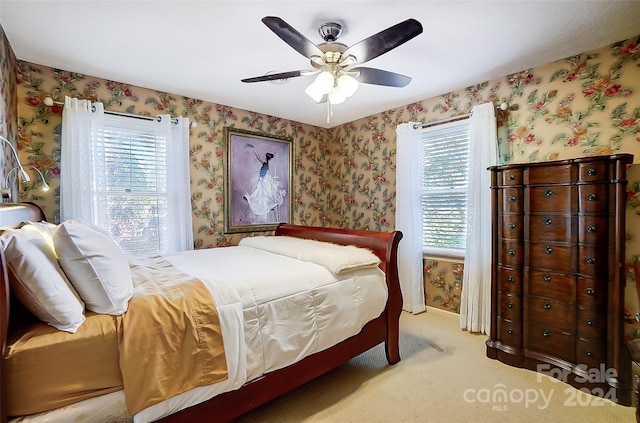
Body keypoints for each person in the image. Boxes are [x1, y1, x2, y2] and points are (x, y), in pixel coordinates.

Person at [241, 144, 286, 223]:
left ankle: (274, 216)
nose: (264, 157)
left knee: (261, 197)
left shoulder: (265, 164)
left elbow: (258, 156)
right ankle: (273, 215)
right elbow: (258, 157)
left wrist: (254, 148)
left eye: (266, 157)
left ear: (267, 158)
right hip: (262, 181)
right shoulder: (266, 164)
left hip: (263, 181)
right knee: (259, 196)